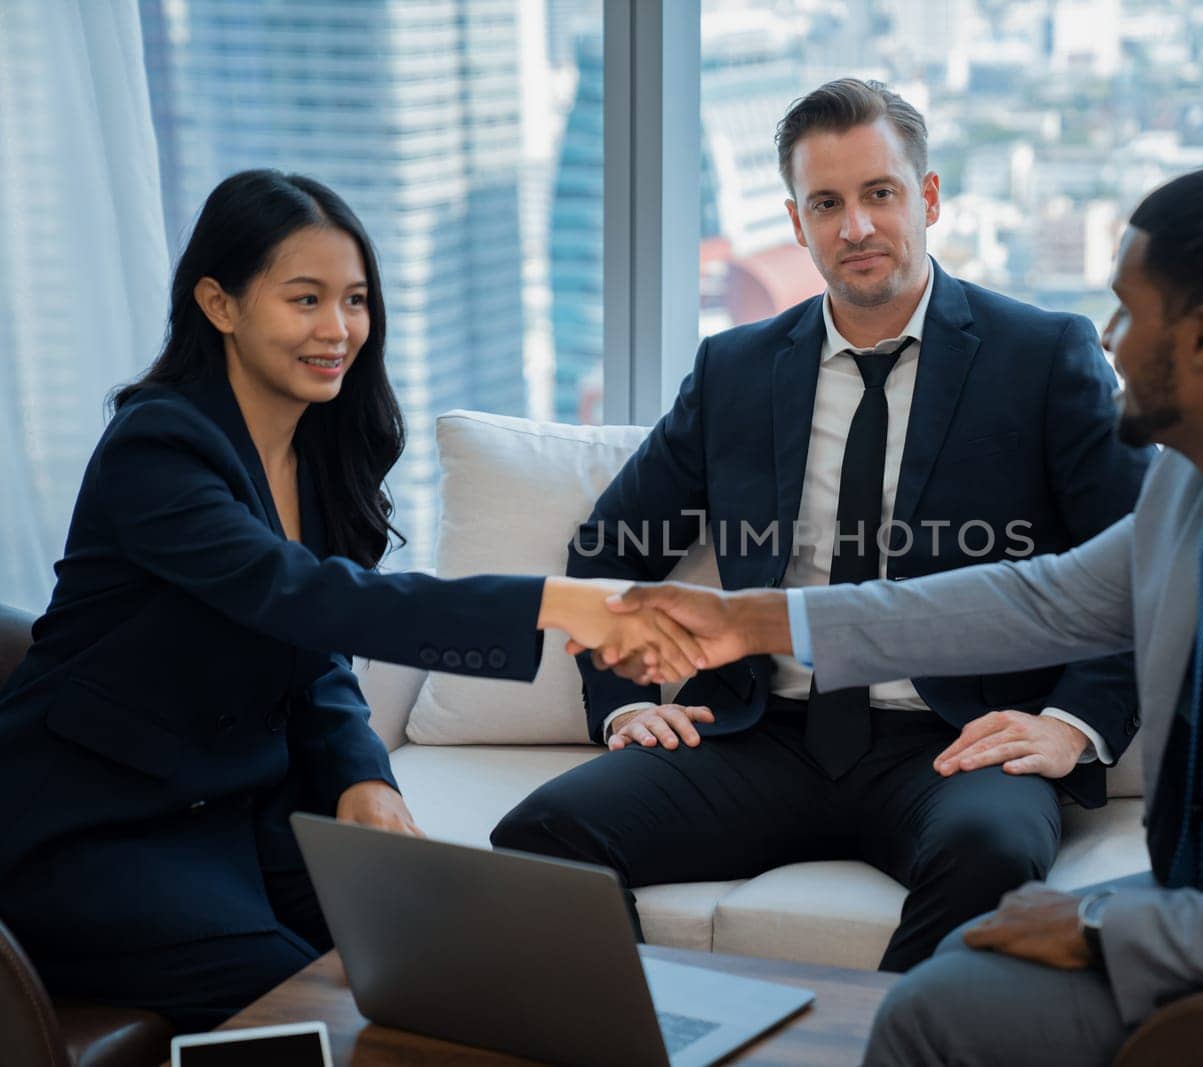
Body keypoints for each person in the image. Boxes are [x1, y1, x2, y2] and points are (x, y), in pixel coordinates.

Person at [597, 161, 1203, 1065]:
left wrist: (1098, 928)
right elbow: (1043, 596)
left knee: (928, 1014)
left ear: (1202, 337)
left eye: (1128, 314)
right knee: (954, 971)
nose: (1108, 341)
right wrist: (756, 622)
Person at [0, 169, 700, 1031]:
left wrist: (362, 774)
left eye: (355, 300)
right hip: (96, 832)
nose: (338, 330)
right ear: (219, 303)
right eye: (305, 299)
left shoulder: (320, 453)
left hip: (241, 814)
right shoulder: (156, 447)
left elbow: (316, 661)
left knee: (470, 961)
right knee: (332, 1012)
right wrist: (553, 602)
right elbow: (300, 599)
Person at [490, 78, 1151, 971]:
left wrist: (1073, 722)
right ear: (797, 224)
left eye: (879, 194)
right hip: (764, 732)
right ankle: (665, 1037)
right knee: (541, 832)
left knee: (993, 854)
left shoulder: (1043, 357)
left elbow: (1146, 563)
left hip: (954, 741)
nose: (857, 228)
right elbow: (611, 548)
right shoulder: (737, 369)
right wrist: (623, 708)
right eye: (827, 204)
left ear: (928, 197)